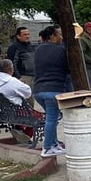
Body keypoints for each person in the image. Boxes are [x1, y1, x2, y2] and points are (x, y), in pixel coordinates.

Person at [33, 24, 69, 158]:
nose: (61, 37)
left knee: (51, 116)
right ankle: (47, 147)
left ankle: (54, 144)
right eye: (59, 34)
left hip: (38, 90)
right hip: (53, 90)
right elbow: (67, 68)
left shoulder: (38, 50)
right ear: (52, 36)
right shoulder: (60, 50)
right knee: (51, 119)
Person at [0, 58, 40, 146]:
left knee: (17, 111)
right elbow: (28, 93)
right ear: (10, 69)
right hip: (15, 113)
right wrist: (22, 84)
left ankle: (18, 129)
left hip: (0, 112)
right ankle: (26, 135)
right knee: (36, 116)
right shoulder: (12, 81)